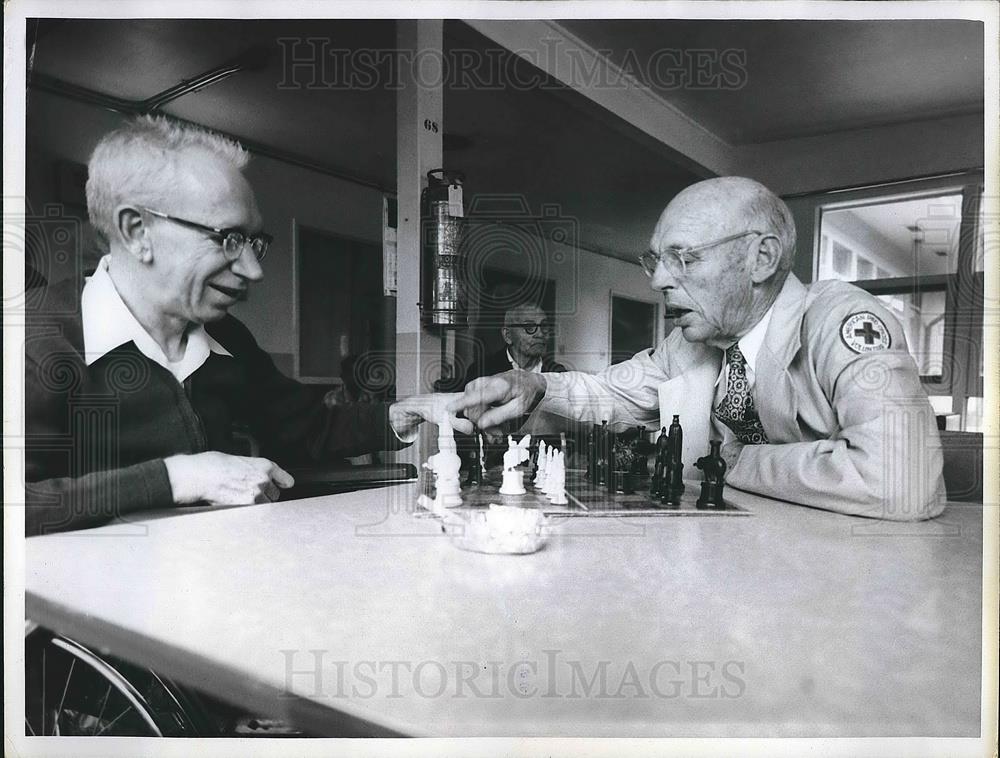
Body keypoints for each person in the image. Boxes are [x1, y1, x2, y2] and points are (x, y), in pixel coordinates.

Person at [24, 115, 467, 536]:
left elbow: (308, 427)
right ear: (137, 232)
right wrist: (178, 478)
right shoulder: (35, 340)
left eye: (255, 242)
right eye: (228, 239)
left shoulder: (227, 337)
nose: (253, 270)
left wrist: (403, 411)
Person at [450, 177, 945, 521]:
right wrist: (534, 383)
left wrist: (731, 460)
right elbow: (610, 394)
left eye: (683, 258)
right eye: (657, 260)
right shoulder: (694, 342)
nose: (660, 281)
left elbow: (901, 483)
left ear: (762, 258)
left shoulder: (843, 323)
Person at [464, 302, 567, 382]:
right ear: (507, 335)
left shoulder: (558, 372)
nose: (540, 334)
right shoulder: (481, 371)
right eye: (529, 327)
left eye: (544, 326)